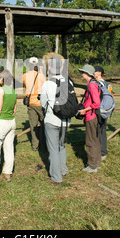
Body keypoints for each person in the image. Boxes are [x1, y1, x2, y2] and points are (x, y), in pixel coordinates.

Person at [40, 56, 70, 184]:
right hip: (65, 119)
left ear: (50, 68)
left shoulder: (47, 84)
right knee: (61, 145)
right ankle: (63, 169)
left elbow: (43, 103)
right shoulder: (69, 82)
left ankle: (56, 177)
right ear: (62, 67)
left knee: (53, 149)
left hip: (52, 119)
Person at [77, 64, 101, 173]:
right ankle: (96, 163)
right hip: (93, 115)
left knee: (90, 141)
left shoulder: (91, 85)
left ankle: (92, 166)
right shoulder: (93, 84)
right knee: (95, 140)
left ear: (87, 74)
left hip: (91, 116)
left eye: (83, 72)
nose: (82, 74)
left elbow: (96, 103)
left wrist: (84, 110)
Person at [22, 57, 46, 151]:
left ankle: (35, 145)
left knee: (33, 125)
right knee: (44, 123)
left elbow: (25, 85)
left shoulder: (25, 75)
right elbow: (45, 85)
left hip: (30, 102)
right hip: (40, 102)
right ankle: (43, 144)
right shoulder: (41, 75)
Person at [94, 65, 109, 161]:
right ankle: (102, 151)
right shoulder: (106, 83)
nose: (93, 73)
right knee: (102, 130)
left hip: (100, 109)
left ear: (99, 73)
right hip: (105, 110)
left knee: (100, 131)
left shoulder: (100, 84)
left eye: (94, 72)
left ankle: (102, 152)